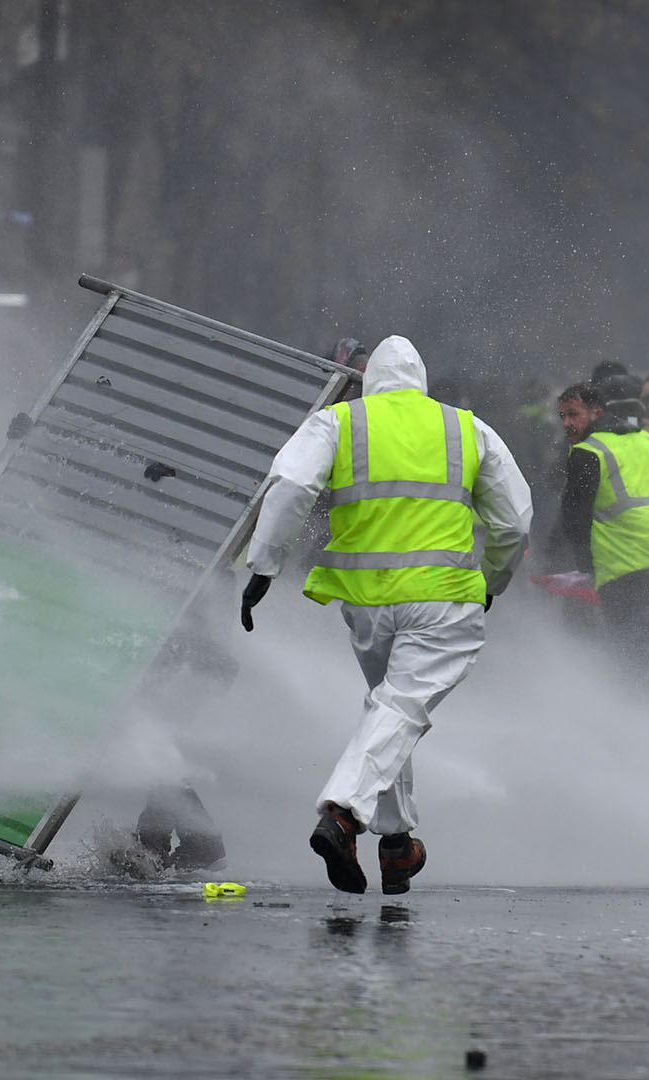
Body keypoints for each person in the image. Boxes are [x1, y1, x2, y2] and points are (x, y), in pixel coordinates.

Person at [238, 336, 532, 895]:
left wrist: (264, 567)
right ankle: (346, 813)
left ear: (371, 379)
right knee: (400, 708)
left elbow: (292, 484)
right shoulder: (466, 429)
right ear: (421, 381)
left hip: (367, 605)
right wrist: (492, 582)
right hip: (444, 598)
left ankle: (396, 845)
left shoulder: (339, 423)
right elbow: (515, 522)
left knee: (389, 708)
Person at [552, 380, 649, 674]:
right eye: (563, 416)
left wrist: (584, 564)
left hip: (622, 573)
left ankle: (640, 713)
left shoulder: (587, 452)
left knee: (633, 656)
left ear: (596, 413)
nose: (567, 424)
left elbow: (574, 518)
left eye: (573, 415)